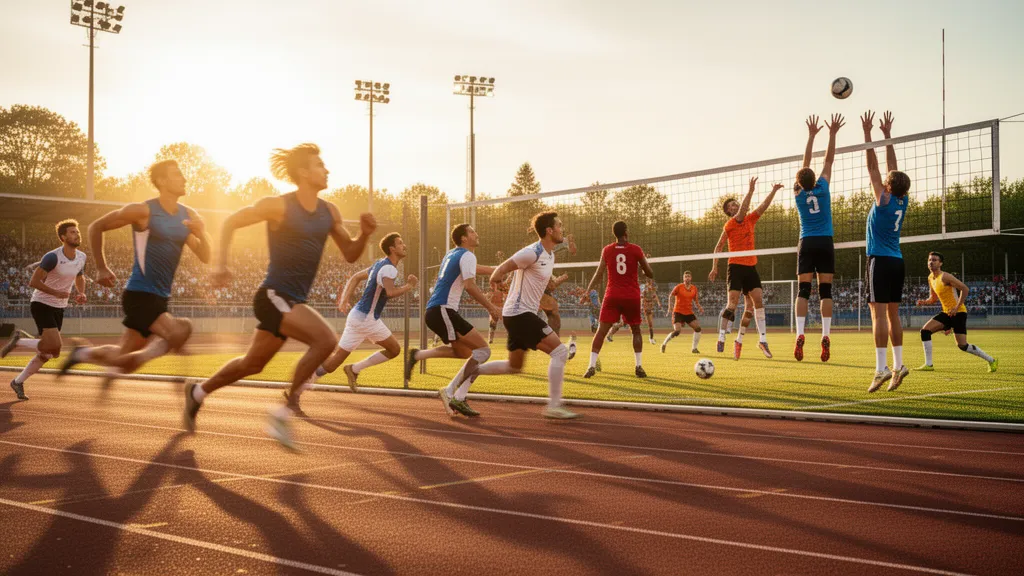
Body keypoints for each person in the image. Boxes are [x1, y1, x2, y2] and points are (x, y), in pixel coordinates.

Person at [183, 143, 376, 449]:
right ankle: (283, 411)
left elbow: (351, 254)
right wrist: (220, 264)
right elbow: (232, 221)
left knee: (252, 364)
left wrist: (364, 234)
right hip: (273, 294)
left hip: (292, 300)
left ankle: (197, 393)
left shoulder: (329, 212)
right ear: (303, 172)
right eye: (320, 165)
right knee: (325, 340)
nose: (327, 170)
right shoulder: (279, 206)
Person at [59, 160, 210, 386]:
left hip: (160, 297)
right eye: (177, 174)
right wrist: (101, 266)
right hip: (140, 294)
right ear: (161, 181)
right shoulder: (143, 211)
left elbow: (205, 256)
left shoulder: (188, 217)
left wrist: (203, 233)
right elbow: (96, 226)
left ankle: (82, 354)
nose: (184, 178)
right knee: (179, 332)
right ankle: (190, 392)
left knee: (124, 360)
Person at [474, 211, 580, 419]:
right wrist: (499, 281)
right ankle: (554, 406)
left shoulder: (550, 255)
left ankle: (471, 370)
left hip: (521, 313)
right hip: (519, 313)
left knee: (513, 366)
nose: (562, 229)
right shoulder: (532, 252)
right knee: (559, 353)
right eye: (559, 225)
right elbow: (499, 271)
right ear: (549, 231)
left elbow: (543, 282)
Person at [304, 233, 417, 405]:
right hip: (367, 319)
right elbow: (390, 292)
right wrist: (409, 286)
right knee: (394, 350)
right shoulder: (389, 268)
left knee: (335, 361)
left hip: (356, 316)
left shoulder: (379, 264)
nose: (404, 246)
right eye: (400, 243)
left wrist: (344, 299)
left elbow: (356, 277)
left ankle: (304, 382)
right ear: (392, 249)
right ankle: (355, 369)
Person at [406, 223, 501, 417]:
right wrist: (491, 307)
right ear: (464, 238)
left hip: (436, 310)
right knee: (483, 351)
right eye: (473, 231)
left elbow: (474, 269)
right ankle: (453, 393)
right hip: (443, 309)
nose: (477, 233)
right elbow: (470, 285)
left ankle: (418, 355)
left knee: (465, 353)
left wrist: (497, 271)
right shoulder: (467, 255)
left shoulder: (453, 254)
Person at [2, 220, 87, 400]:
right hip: (42, 304)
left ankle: (18, 381)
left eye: (78, 231)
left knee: (50, 353)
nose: (77, 234)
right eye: (72, 232)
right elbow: (34, 282)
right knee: (56, 346)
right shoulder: (52, 257)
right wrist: (56, 292)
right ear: (63, 237)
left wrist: (81, 292)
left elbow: (80, 277)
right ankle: (18, 342)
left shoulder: (81, 257)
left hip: (59, 307)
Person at [862, 111, 912, 393]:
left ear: (889, 186)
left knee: (877, 314)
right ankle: (899, 364)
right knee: (893, 314)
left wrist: (868, 135)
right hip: (897, 260)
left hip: (879, 261)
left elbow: (874, 167)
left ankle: (881, 368)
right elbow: (892, 168)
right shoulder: (902, 200)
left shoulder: (883, 199)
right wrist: (888, 136)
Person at [709, 177, 783, 360]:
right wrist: (715, 267)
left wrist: (773, 191)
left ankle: (761, 340)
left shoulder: (750, 219)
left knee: (756, 302)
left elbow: (762, 207)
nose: (736, 206)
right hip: (735, 267)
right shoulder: (731, 223)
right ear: (728, 211)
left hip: (751, 266)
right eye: (732, 206)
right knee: (732, 304)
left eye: (736, 203)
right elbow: (718, 247)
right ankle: (721, 337)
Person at [794, 113, 844, 362]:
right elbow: (829, 159)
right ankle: (825, 335)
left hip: (806, 242)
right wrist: (832, 133)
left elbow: (805, 164)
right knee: (826, 292)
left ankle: (800, 334)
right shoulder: (823, 187)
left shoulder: (798, 193)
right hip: (825, 241)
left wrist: (810, 136)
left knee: (803, 291)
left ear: (799, 182)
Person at [581, 220, 653, 378]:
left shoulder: (607, 250)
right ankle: (639, 366)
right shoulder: (636, 250)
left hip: (612, 295)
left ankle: (591, 366)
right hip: (631, 296)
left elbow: (599, 273)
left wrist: (587, 291)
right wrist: (642, 266)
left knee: (601, 331)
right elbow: (650, 273)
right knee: (636, 331)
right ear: (626, 232)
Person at [915, 251, 997, 372]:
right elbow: (933, 298)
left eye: (934, 260)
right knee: (925, 331)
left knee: (962, 346)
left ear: (940, 263)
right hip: (946, 313)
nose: (931, 262)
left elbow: (965, 289)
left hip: (958, 313)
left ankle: (991, 360)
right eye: (929, 260)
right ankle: (929, 364)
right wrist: (924, 302)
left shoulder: (945, 276)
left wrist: (957, 307)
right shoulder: (930, 278)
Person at [662, 270, 705, 354]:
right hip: (678, 311)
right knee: (677, 331)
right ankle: (664, 344)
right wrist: (669, 307)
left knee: (698, 328)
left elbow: (696, 301)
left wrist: (699, 307)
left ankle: (694, 348)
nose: (687, 278)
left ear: (691, 278)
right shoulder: (679, 287)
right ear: (683, 278)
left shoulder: (694, 288)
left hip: (688, 312)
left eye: (688, 276)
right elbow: (670, 296)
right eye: (686, 277)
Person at [486, 250, 507, 344]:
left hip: (501, 307)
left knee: (507, 323)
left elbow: (503, 275)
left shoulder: (502, 288)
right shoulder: (493, 288)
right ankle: (490, 340)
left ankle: (511, 337)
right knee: (492, 324)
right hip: (494, 307)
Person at [641, 276, 662, 345]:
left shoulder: (652, 288)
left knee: (650, 324)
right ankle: (651, 338)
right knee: (649, 323)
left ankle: (651, 338)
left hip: (650, 306)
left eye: (651, 280)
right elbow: (642, 297)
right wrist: (641, 305)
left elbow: (655, 295)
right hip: (646, 306)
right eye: (650, 280)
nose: (651, 282)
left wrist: (658, 303)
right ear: (647, 281)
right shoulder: (645, 288)